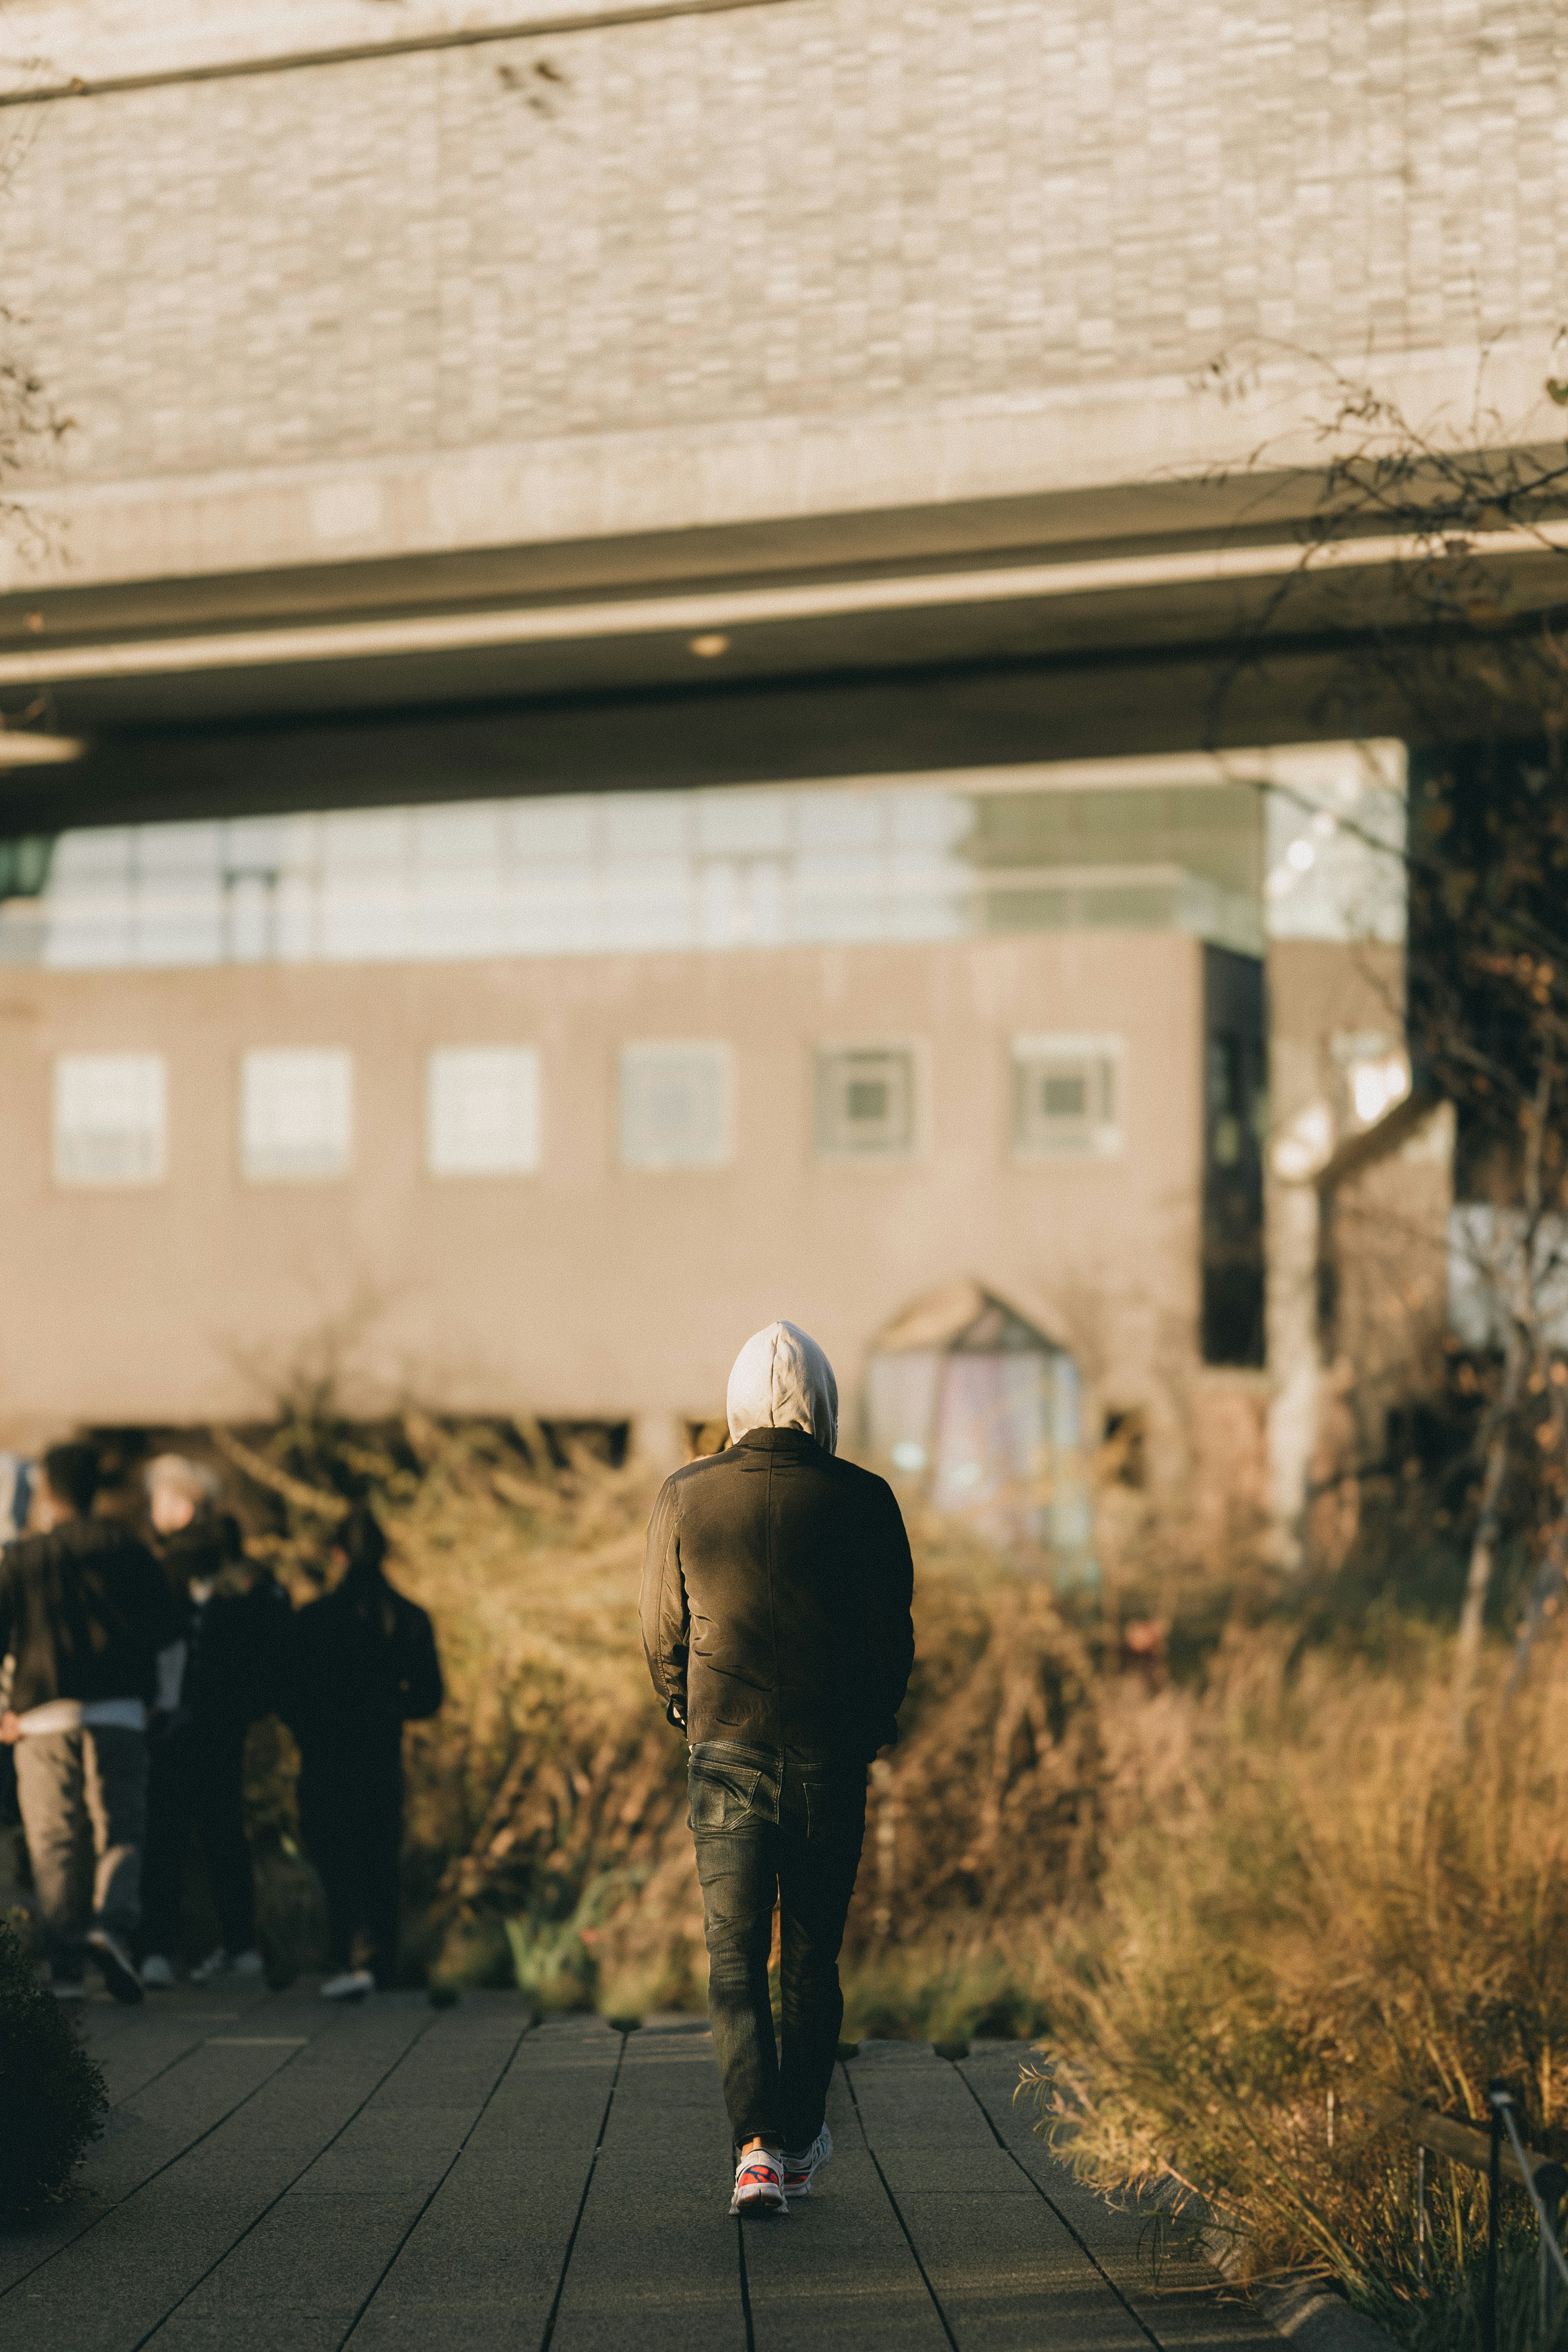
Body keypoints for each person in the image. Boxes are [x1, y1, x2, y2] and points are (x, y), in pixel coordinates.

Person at [640, 1320, 915, 2218]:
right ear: (822, 1403)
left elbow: (660, 1634)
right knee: (809, 1960)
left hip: (723, 1753)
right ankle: (796, 2140)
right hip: (828, 1757)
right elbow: (891, 1640)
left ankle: (753, 2150)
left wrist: (689, 1709)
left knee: (732, 1963)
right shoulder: (866, 1497)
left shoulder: (685, 1495)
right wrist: (868, 1729)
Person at [0, 1441, 186, 2002]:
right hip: (122, 1710)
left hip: (40, 1715)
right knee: (121, 1827)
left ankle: (64, 1967)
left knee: (51, 1838)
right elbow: (171, 1633)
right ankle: (112, 1926)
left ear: (49, 1492)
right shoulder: (131, 1551)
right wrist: (166, 1699)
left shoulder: (23, 1558)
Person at [138, 1455, 293, 1990]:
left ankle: (156, 1948)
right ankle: (239, 1944)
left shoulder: (163, 1567)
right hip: (227, 1723)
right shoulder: (242, 1567)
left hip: (171, 1721)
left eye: (158, 1499)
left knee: (164, 1836)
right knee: (225, 1832)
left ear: (180, 1504)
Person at [290, 1503, 442, 2001]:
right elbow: (429, 1696)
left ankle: (350, 1952)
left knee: (333, 1852)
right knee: (379, 1854)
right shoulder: (410, 1616)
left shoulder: (312, 1619)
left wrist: (308, 1727)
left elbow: (287, 1691)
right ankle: (378, 1959)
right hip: (380, 1752)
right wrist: (389, 1705)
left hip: (324, 1753)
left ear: (336, 1554)